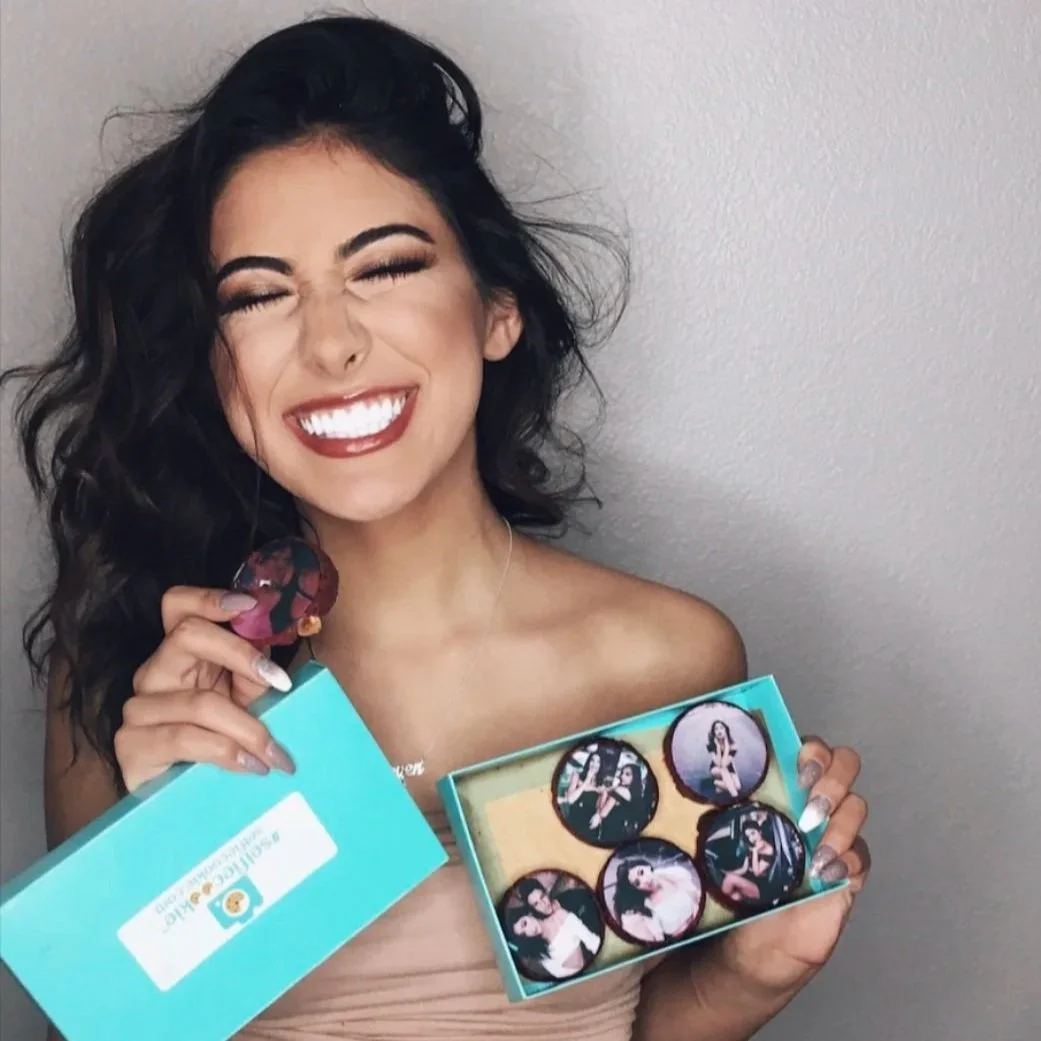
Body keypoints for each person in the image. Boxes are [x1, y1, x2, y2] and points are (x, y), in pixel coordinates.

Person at [2, 13, 871, 1041]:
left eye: (386, 268)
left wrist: (756, 976)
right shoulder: (133, 665)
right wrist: (167, 836)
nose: (330, 344)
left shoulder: (666, 658)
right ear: (214, 364)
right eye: (258, 295)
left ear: (497, 309)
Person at [503, 901, 601, 980]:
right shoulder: (539, 951)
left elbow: (591, 940)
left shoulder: (558, 915)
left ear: (528, 914)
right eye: (524, 934)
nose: (530, 930)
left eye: (525, 923)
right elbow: (559, 974)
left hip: (594, 961)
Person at [612, 858, 702, 944]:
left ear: (647, 866)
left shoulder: (671, 875)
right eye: (637, 883)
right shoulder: (647, 908)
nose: (645, 880)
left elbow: (695, 894)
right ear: (636, 889)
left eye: (642, 872)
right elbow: (659, 939)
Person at [708, 719, 741, 798]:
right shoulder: (711, 745)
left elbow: (725, 764)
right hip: (715, 769)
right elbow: (719, 764)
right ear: (714, 733)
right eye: (716, 729)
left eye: (721, 728)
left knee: (738, 787)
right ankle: (735, 797)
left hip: (728, 768)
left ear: (726, 730)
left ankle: (717, 783)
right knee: (723, 770)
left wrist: (727, 747)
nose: (719, 731)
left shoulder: (733, 746)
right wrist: (718, 748)